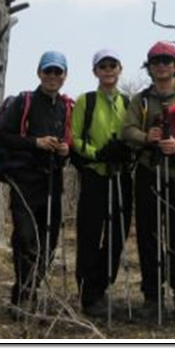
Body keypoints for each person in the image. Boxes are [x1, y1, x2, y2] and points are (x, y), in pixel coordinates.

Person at [122, 41, 175, 323]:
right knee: (148, 238)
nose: (161, 65)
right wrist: (146, 137)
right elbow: (127, 130)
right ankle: (152, 298)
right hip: (148, 174)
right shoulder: (141, 100)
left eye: (166, 61)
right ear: (149, 67)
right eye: (156, 61)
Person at [0, 51, 73, 315]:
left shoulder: (66, 107)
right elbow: (1, 134)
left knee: (48, 243)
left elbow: (70, 144)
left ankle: (30, 290)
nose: (52, 76)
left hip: (52, 183)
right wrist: (35, 142)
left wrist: (65, 151)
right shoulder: (23, 102)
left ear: (64, 76)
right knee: (26, 238)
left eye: (57, 72)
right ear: (39, 73)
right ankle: (23, 296)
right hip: (23, 181)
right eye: (47, 71)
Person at [71, 49, 133, 318]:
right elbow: (74, 137)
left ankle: (101, 287)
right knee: (89, 234)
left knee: (117, 236)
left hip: (121, 174)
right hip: (95, 174)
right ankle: (88, 293)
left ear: (120, 69)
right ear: (95, 71)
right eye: (102, 66)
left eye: (112, 65)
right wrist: (97, 153)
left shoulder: (129, 102)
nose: (108, 70)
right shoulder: (86, 101)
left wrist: (125, 150)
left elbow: (134, 133)